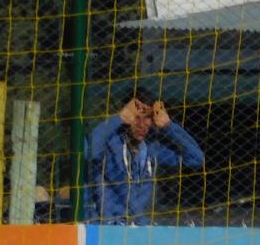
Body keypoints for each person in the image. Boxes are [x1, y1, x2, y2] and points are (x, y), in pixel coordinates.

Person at [85, 89, 204, 225]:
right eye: (137, 117)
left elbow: (197, 159)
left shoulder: (152, 148)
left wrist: (169, 126)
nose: (141, 124)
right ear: (127, 117)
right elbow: (88, 150)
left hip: (137, 226)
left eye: (147, 117)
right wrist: (119, 118)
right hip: (106, 224)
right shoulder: (109, 144)